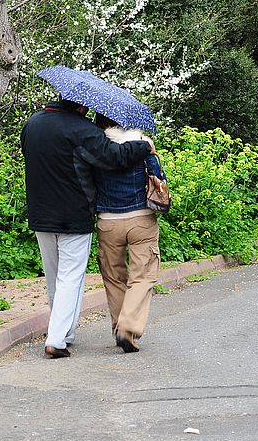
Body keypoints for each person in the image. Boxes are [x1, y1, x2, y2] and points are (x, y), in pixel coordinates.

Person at [20, 97, 153, 359]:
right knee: (71, 277)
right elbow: (114, 157)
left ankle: (65, 332)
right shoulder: (81, 130)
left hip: (40, 213)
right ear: (80, 106)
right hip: (74, 214)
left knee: (54, 277)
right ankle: (56, 339)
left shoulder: (32, 125)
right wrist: (143, 145)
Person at [93, 112, 165, 353]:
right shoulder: (142, 147)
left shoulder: (97, 150)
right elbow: (159, 180)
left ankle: (119, 328)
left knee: (113, 276)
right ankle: (128, 327)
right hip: (140, 221)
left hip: (108, 222)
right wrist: (151, 152)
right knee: (143, 276)